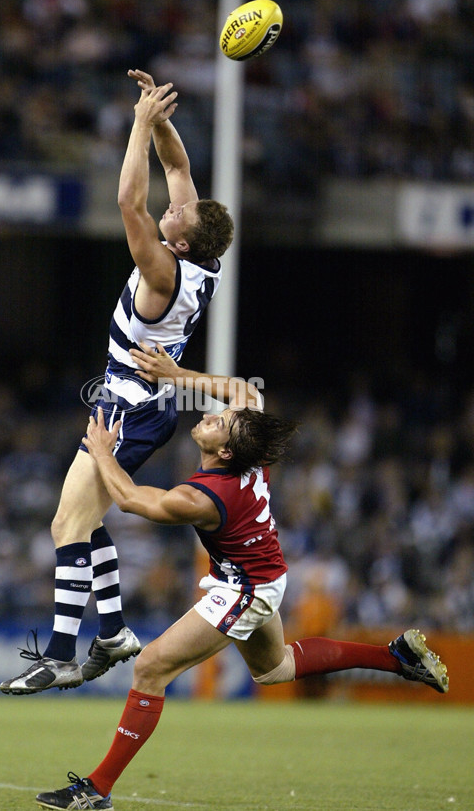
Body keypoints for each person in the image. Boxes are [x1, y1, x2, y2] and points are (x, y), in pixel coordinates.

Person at [34, 344, 449, 810]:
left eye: (217, 423)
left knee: (150, 667)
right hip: (262, 575)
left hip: (245, 589)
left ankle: (97, 789)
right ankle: (397, 659)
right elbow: (241, 392)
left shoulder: (204, 498)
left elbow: (132, 501)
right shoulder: (245, 452)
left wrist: (103, 453)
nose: (211, 417)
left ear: (225, 450)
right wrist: (176, 373)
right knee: (275, 669)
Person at [0, 70, 234, 695]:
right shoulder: (200, 252)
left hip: (130, 405)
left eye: (176, 214)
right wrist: (158, 118)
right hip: (132, 399)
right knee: (84, 520)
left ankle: (61, 652)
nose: (172, 205)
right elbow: (177, 165)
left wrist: (133, 125)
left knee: (65, 528)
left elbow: (130, 203)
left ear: (179, 242)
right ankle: (113, 632)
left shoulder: (162, 273)